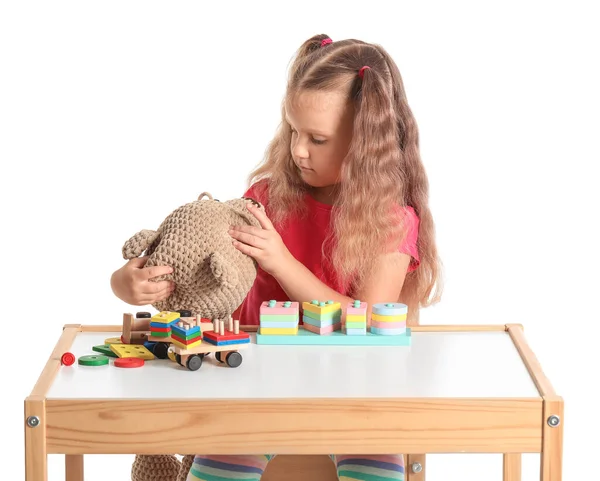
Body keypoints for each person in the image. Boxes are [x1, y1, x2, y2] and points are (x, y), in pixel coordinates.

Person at [111, 34, 443, 481]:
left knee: (377, 468)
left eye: (318, 139)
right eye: (294, 131)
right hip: (257, 387)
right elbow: (198, 271)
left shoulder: (391, 221)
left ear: (366, 143)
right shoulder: (267, 198)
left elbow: (368, 321)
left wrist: (281, 262)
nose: (299, 150)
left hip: (353, 392)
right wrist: (128, 283)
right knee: (218, 466)